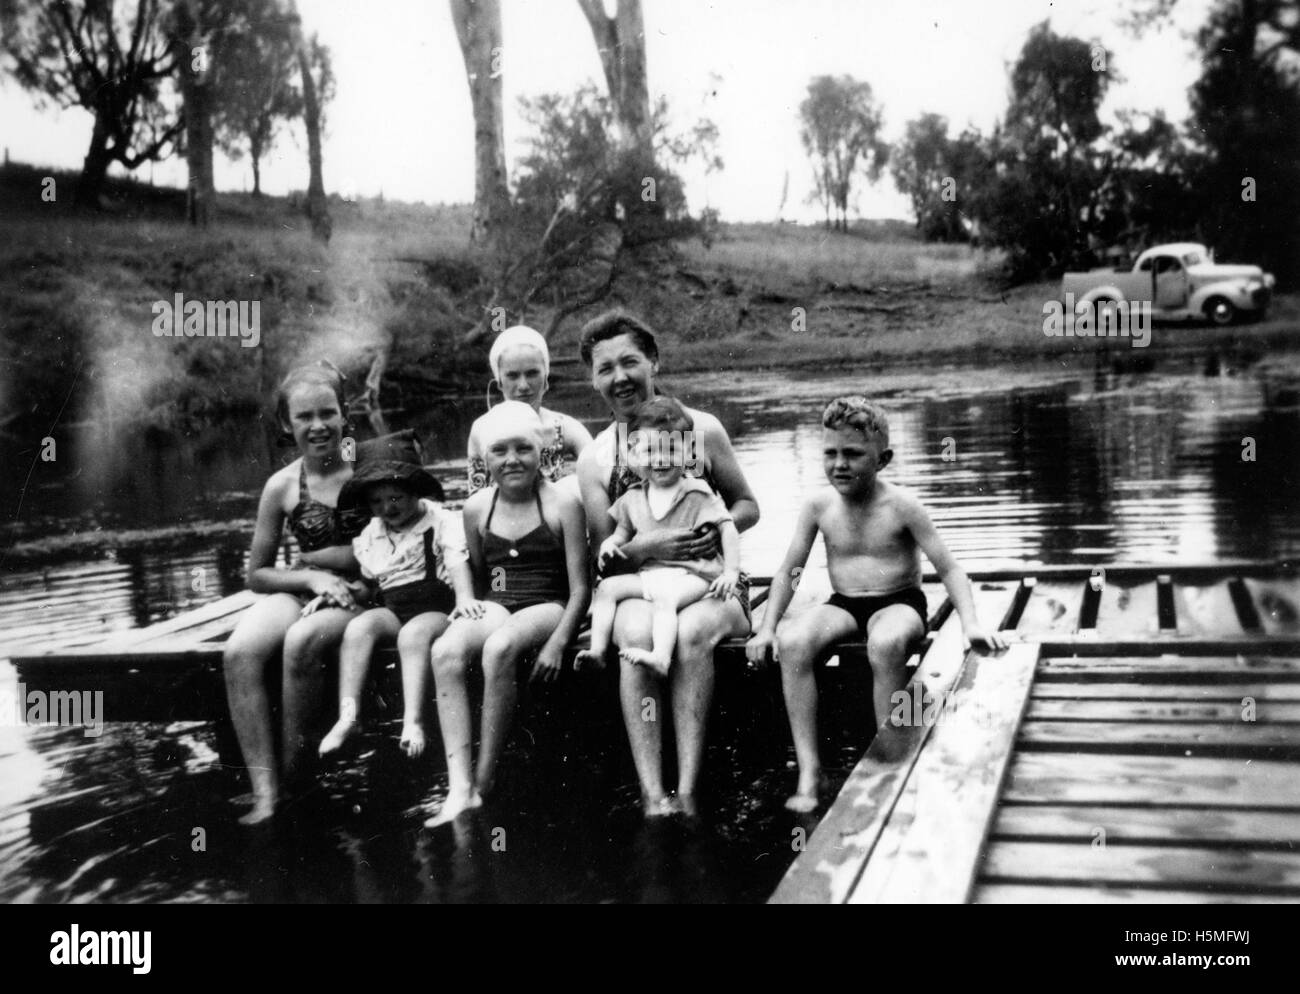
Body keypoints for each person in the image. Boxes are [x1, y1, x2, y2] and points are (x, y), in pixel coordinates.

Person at [745, 395, 1008, 813]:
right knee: (794, 643)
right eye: (830, 454)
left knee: (884, 644)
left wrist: (971, 622)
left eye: (853, 454)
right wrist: (767, 626)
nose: (839, 464)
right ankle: (810, 769)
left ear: (882, 458)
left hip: (899, 604)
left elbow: (950, 569)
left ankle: (891, 756)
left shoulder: (902, 505)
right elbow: (790, 570)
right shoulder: (818, 506)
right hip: (844, 603)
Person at [575, 311, 759, 818]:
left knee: (693, 631)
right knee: (635, 633)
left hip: (710, 581)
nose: (620, 378)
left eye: (630, 362)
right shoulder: (594, 459)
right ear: (592, 380)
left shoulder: (702, 429)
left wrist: (703, 536)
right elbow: (603, 552)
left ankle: (691, 786)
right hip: (642, 581)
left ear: (653, 361)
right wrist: (642, 550)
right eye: (605, 368)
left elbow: (747, 506)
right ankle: (654, 794)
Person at [427, 401, 590, 826]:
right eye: (500, 451)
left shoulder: (562, 505)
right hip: (500, 602)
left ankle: (484, 781)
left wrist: (557, 644)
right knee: (445, 651)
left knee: (499, 647)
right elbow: (481, 576)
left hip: (549, 605)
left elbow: (581, 589)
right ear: (485, 459)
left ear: (542, 454)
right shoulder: (477, 508)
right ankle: (458, 786)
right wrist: (469, 613)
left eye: (523, 449)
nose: (512, 459)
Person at [222, 361, 368, 825]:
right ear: (287, 423)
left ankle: (295, 778)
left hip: (365, 592)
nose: (318, 426)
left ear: (345, 414)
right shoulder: (282, 486)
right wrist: (309, 578)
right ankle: (266, 792)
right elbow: (257, 575)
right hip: (306, 588)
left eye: (328, 413)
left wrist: (327, 569)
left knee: (300, 645)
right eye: (304, 417)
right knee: (239, 653)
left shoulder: (372, 469)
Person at [317, 438, 474, 760]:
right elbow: (370, 584)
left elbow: (457, 562)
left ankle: (412, 721)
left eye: (395, 498)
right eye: (377, 502)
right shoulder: (373, 534)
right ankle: (348, 716)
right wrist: (338, 593)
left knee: (412, 635)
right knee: (360, 627)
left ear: (415, 492)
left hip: (435, 610)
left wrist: (465, 598)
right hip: (395, 607)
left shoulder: (441, 522)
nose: (387, 508)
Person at [575, 396, 740, 677]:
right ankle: (598, 651)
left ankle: (660, 657)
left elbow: (727, 527)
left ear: (688, 450)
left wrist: (730, 571)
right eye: (651, 450)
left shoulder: (696, 491)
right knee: (606, 590)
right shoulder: (633, 497)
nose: (661, 458)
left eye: (671, 449)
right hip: (651, 574)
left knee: (665, 600)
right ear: (635, 454)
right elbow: (621, 533)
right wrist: (610, 544)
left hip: (694, 575)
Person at [466, 325, 592, 494]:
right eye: (512, 376)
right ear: (499, 382)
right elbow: (475, 498)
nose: (523, 386)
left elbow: (600, 476)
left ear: (546, 377)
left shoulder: (565, 428)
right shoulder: (481, 429)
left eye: (532, 374)